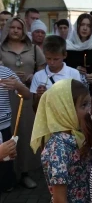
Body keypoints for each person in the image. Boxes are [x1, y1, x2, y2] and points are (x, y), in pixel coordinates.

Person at [0, 17, 46, 189]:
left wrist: (33, 76)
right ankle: (7, 174)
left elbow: (43, 67)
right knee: (7, 134)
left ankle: (24, 172)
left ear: (24, 29)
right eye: (12, 27)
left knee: (24, 133)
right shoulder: (1, 48)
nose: (15, 30)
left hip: (25, 95)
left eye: (19, 27)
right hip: (4, 97)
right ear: (7, 29)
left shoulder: (33, 48)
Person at [30, 79, 92, 202]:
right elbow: (59, 199)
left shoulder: (77, 135)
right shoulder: (59, 147)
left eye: (89, 104)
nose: (89, 110)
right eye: (84, 105)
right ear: (65, 110)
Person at [0, 66, 31, 192]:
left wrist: (18, 85)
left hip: (4, 127)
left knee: (6, 163)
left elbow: (27, 95)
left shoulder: (5, 71)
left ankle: (7, 185)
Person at [30, 35, 81, 111]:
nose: (52, 62)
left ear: (65, 55)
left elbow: (78, 101)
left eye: (56, 59)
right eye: (48, 58)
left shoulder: (73, 74)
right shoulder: (38, 76)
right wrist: (39, 96)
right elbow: (35, 107)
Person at [65, 13, 92, 95]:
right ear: (77, 26)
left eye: (88, 26)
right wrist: (74, 69)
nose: (85, 28)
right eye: (82, 25)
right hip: (72, 91)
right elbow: (62, 67)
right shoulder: (68, 46)